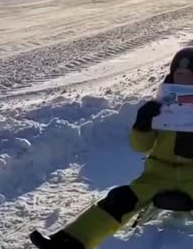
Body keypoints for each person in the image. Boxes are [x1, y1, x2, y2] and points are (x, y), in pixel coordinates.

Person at [31, 47, 193, 249]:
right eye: (179, 75)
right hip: (157, 175)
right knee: (120, 199)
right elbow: (141, 146)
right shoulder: (162, 106)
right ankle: (70, 242)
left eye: (189, 76)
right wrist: (142, 125)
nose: (184, 81)